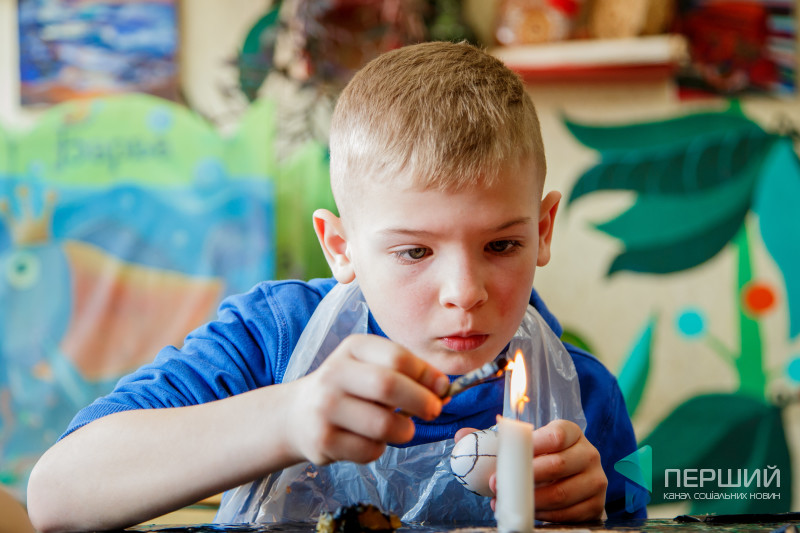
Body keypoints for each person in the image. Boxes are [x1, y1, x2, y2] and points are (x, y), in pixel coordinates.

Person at [27, 41, 646, 532]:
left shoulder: (588, 397)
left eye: (502, 246)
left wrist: (593, 518)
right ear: (340, 248)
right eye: (414, 251)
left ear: (543, 230)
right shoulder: (271, 340)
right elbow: (55, 495)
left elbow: (632, 516)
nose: (464, 292)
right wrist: (289, 417)